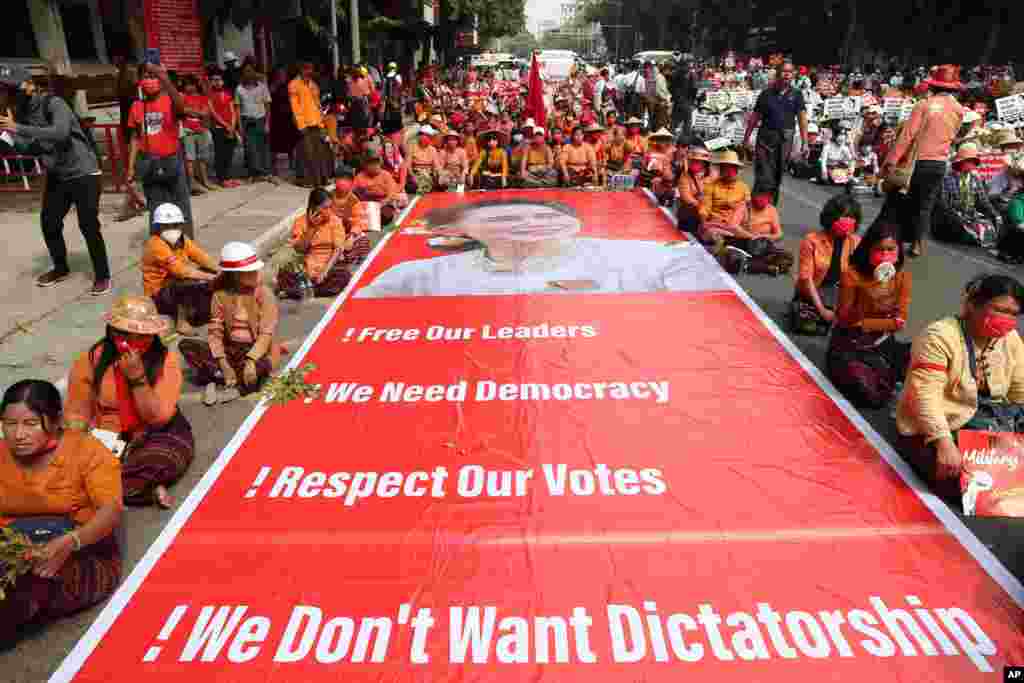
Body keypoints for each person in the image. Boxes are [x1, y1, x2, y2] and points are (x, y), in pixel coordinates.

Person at [354, 199, 725, 298]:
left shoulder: (633, 260)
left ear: (575, 226)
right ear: (471, 230)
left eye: (538, 217)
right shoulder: (418, 277)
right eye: (503, 219)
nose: (524, 226)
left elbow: (697, 275)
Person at [0, 380, 122, 643]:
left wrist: (71, 541)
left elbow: (110, 511)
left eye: (30, 424)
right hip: (11, 548)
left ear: (55, 421)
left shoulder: (86, 451)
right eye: (10, 424)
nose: (18, 434)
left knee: (27, 585)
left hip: (80, 552)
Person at [897, 275, 1024, 498]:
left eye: (1013, 313)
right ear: (973, 305)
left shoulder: (1010, 338)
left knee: (1000, 484)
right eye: (999, 309)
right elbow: (925, 396)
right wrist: (944, 444)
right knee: (967, 484)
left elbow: (1019, 392)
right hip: (941, 428)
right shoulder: (939, 336)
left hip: (989, 420)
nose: (1007, 319)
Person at [64, 296, 192, 508]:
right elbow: (77, 411)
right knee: (71, 469)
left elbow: (157, 418)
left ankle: (127, 484)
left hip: (152, 433)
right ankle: (139, 486)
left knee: (162, 459)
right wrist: (79, 446)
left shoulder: (165, 360)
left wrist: (138, 380)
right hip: (108, 436)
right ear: (113, 334)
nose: (136, 344)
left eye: (143, 337)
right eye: (127, 336)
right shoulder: (89, 360)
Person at [0, 64, 112, 295]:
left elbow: (60, 133)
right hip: (58, 175)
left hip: (83, 172)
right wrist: (10, 135)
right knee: (49, 222)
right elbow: (31, 149)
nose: (9, 96)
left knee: (88, 225)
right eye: (5, 91)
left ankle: (102, 275)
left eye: (12, 90)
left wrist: (17, 127)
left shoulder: (54, 103)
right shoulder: (20, 113)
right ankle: (61, 268)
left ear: (29, 86)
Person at [180, 243, 280, 407]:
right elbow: (215, 331)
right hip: (230, 350)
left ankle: (220, 380)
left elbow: (266, 334)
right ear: (235, 275)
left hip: (254, 350)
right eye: (250, 272)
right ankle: (225, 376)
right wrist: (223, 363)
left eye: (255, 270)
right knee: (187, 346)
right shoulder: (220, 295)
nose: (256, 274)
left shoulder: (264, 293)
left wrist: (251, 361)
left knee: (259, 369)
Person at [881, 65, 966, 258]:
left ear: (933, 85)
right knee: (925, 205)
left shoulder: (923, 105)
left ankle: (894, 239)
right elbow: (954, 135)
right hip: (938, 163)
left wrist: (891, 160)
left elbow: (907, 136)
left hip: (916, 161)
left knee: (899, 200)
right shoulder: (959, 110)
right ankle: (918, 243)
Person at [827, 220, 912, 408]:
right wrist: (870, 300)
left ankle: (888, 375)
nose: (885, 256)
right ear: (867, 251)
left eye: (891, 250)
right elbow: (844, 319)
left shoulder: (902, 277)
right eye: (879, 250)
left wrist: (873, 323)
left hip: (881, 342)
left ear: (899, 253)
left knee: (921, 354)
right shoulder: (852, 275)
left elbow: (899, 322)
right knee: (866, 391)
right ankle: (887, 378)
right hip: (850, 344)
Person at [126, 62, 195, 238]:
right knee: (156, 209)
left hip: (172, 160)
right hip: (149, 163)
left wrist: (165, 78)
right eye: (146, 76)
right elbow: (135, 138)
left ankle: (186, 244)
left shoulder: (171, 99)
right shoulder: (136, 106)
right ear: (140, 81)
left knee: (181, 207)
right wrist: (131, 167)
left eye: (153, 76)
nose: (150, 80)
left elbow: (180, 108)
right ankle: (160, 248)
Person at [142, 203, 220, 336]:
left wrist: (219, 271)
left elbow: (201, 257)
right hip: (158, 293)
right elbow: (181, 271)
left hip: (173, 285)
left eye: (175, 225)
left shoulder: (183, 240)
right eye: (167, 226)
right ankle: (181, 322)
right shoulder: (155, 245)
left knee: (207, 276)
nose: (172, 229)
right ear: (158, 227)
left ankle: (209, 310)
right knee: (186, 280)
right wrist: (212, 277)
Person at [791, 195, 863, 335]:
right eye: (843, 217)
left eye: (851, 217)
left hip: (838, 292)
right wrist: (821, 310)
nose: (847, 221)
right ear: (831, 218)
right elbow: (807, 280)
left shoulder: (855, 241)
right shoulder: (811, 241)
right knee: (808, 325)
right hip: (814, 292)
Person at [744, 61, 809, 206]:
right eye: (784, 71)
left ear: (793, 75)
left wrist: (805, 143)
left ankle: (770, 209)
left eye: (790, 72)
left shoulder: (797, 95)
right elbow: (754, 117)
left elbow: (802, 119)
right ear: (778, 73)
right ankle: (756, 207)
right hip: (765, 138)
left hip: (785, 138)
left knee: (777, 175)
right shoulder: (766, 94)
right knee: (763, 174)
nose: (787, 74)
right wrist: (746, 138)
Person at [277, 187, 355, 300]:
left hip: (328, 265)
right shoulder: (300, 222)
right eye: (325, 208)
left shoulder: (335, 221)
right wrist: (311, 229)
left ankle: (296, 292)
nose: (329, 211)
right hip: (306, 267)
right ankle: (305, 289)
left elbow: (338, 250)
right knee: (284, 273)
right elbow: (300, 250)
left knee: (344, 276)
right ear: (313, 208)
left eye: (330, 207)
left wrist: (324, 272)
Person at [933, 143, 1002, 247]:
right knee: (955, 225)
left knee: (989, 228)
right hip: (951, 216)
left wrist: (996, 215)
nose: (973, 165)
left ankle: (971, 233)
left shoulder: (975, 178)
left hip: (969, 215)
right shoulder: (946, 177)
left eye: (974, 162)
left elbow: (983, 200)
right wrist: (959, 217)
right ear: (961, 162)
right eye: (970, 161)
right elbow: (943, 203)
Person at [290, 61, 331, 188]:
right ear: (300, 70)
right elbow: (295, 106)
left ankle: (321, 180)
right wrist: (301, 124)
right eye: (306, 69)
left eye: (310, 69)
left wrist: (322, 121)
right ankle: (307, 181)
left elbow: (317, 104)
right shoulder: (294, 85)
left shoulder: (312, 84)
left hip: (316, 122)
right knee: (307, 153)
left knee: (320, 152)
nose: (309, 72)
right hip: (304, 124)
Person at [698, 150, 751, 244]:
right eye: (726, 168)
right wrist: (704, 223)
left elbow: (746, 211)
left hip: (735, 226)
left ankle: (745, 237)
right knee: (712, 234)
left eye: (733, 168)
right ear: (721, 170)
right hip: (715, 225)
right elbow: (704, 209)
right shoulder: (711, 186)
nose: (730, 171)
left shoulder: (743, 187)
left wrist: (744, 225)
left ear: (736, 170)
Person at [236, 65, 276, 185]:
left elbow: (268, 106)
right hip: (246, 121)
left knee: (263, 148)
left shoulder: (262, 87)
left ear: (254, 73)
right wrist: (239, 126)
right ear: (243, 74)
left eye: (250, 71)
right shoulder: (239, 89)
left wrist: (267, 123)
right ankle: (253, 174)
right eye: (245, 72)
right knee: (249, 149)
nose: (248, 74)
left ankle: (266, 173)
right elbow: (237, 108)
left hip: (261, 120)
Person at [180, 76, 216, 194]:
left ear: (196, 85)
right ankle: (192, 184)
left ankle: (205, 181)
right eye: (187, 85)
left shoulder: (202, 97)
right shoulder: (182, 97)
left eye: (191, 84)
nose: (189, 87)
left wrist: (191, 111)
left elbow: (206, 113)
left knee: (203, 157)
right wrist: (197, 113)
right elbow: (182, 110)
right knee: (190, 158)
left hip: (202, 130)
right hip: (188, 131)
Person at [208, 70, 242, 188]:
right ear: (211, 82)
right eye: (214, 80)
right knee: (220, 153)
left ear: (223, 82)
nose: (217, 82)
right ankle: (221, 178)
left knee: (229, 153)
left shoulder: (228, 94)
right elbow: (213, 113)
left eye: (219, 80)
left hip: (230, 128)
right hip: (218, 128)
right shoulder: (209, 95)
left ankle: (228, 177)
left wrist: (232, 126)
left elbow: (232, 111)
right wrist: (226, 125)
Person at [354, 153, 408, 225]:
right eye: (371, 164)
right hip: (366, 205)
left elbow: (391, 195)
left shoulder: (386, 175)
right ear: (365, 166)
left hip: (383, 202)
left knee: (386, 216)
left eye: (376, 163)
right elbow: (352, 193)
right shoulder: (359, 177)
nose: (375, 166)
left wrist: (381, 204)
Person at [331, 168, 372, 264]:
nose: (343, 182)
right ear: (334, 180)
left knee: (363, 241)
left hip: (347, 234)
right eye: (340, 178)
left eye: (347, 179)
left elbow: (358, 221)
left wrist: (351, 237)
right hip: (330, 233)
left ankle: (342, 255)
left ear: (352, 182)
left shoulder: (354, 200)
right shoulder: (328, 196)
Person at [270, 66, 301, 173]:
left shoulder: (289, 86)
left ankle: (292, 163)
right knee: (275, 143)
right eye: (280, 74)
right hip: (276, 118)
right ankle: (273, 166)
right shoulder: (272, 86)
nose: (282, 76)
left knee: (291, 142)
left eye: (283, 74)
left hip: (288, 117)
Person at [677, 147, 710, 237]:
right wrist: (701, 205)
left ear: (705, 163)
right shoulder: (685, 176)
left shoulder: (712, 176)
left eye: (698, 161)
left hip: (709, 215)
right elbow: (686, 197)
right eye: (693, 161)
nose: (694, 163)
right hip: (691, 214)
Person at [407, 126, 441, 194]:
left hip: (429, 175)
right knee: (415, 185)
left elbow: (437, 166)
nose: (430, 138)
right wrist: (413, 176)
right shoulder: (411, 147)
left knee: (444, 179)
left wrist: (440, 174)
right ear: (421, 136)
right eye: (428, 136)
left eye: (430, 137)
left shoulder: (432, 149)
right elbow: (408, 166)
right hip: (416, 174)